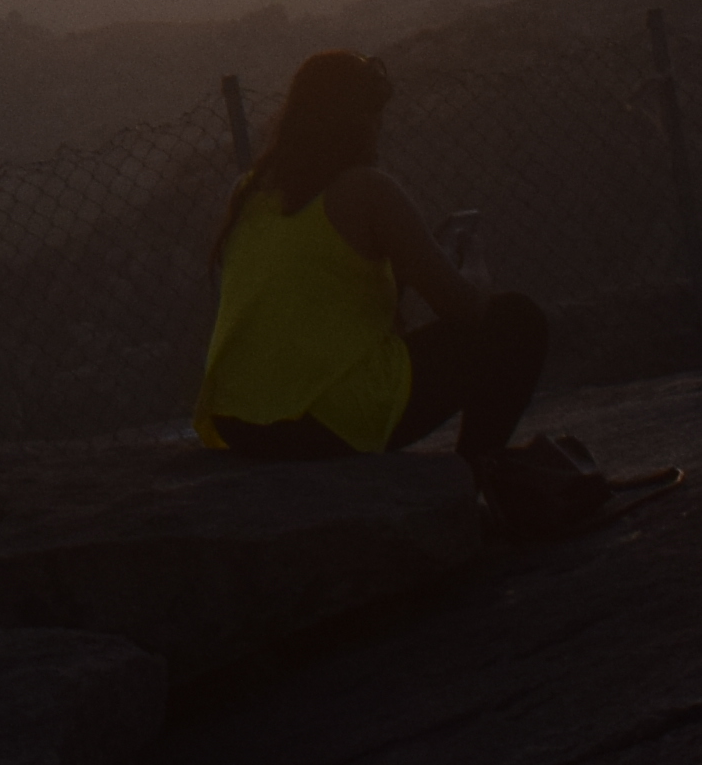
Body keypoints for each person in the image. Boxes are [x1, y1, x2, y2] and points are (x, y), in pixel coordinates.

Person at [199, 48, 557, 480]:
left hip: (239, 420)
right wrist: (475, 260)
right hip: (321, 422)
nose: (379, 126)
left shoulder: (250, 190)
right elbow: (464, 308)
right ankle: (474, 481)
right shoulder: (366, 190)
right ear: (354, 119)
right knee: (517, 323)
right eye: (373, 114)